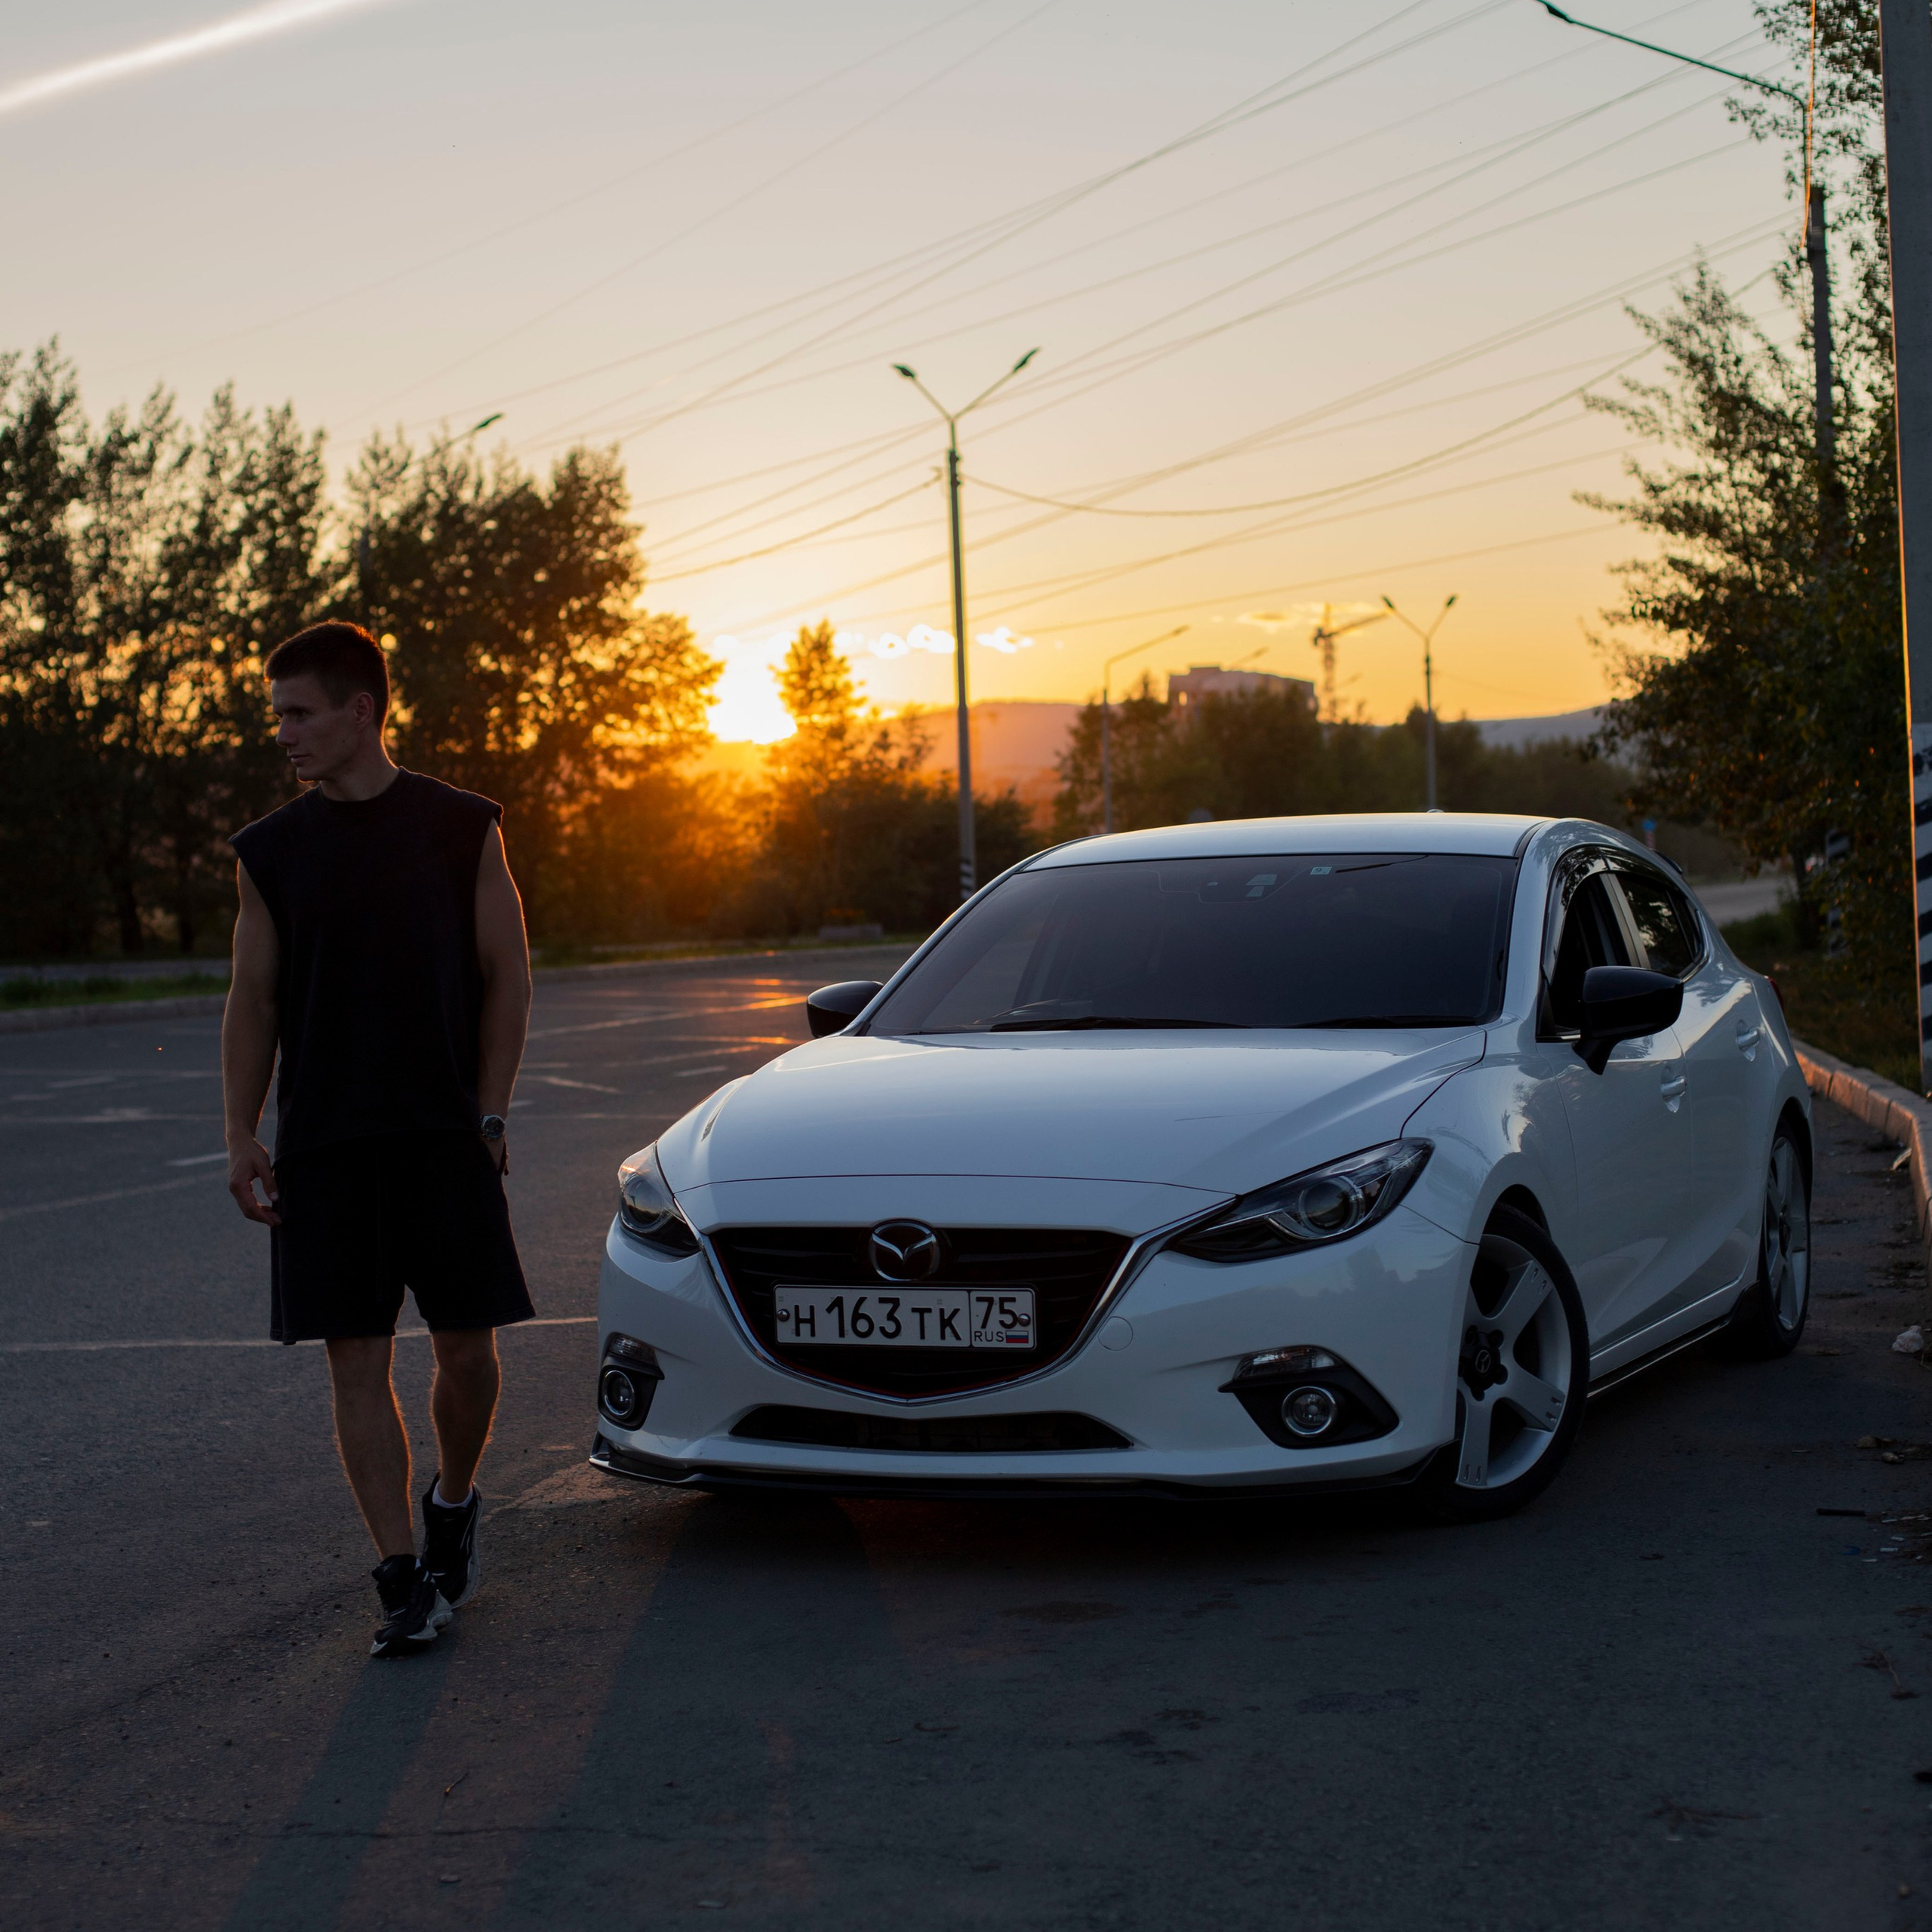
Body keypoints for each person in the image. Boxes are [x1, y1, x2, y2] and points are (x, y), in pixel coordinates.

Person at [221, 620, 534, 1659]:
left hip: (444, 1136)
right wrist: (241, 1132)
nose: (285, 735)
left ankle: (454, 1504)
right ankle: (402, 1578)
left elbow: (509, 977)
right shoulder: (270, 854)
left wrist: (489, 1112)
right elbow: (250, 998)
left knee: (467, 1356)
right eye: (278, 717)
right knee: (354, 1362)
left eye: (300, 713)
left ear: (363, 712)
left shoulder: (460, 827)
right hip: (325, 1148)